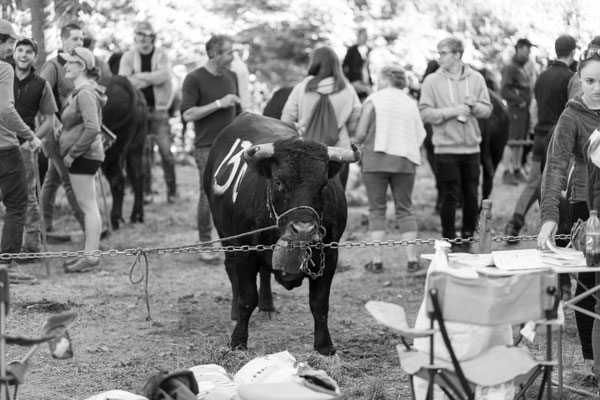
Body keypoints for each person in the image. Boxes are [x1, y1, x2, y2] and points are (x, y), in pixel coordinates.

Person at [539, 37, 600, 386]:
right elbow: (555, 168)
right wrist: (549, 218)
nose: (595, 88)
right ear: (579, 79)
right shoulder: (572, 115)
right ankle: (594, 363)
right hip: (585, 207)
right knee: (590, 285)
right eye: (589, 81)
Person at [419, 37, 492, 250]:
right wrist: (452, 112)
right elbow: (423, 112)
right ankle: (449, 241)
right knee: (449, 196)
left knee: (472, 195)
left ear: (457, 55)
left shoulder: (476, 78)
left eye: (443, 52)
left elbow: (487, 110)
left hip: (471, 148)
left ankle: (468, 238)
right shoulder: (432, 81)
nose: (438, 57)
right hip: (445, 149)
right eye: (438, 52)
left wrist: (475, 106)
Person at [355, 65, 426, 273]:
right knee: (405, 209)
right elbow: (420, 134)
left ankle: (377, 262)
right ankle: (412, 260)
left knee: (376, 210)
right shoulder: (411, 103)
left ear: (386, 79)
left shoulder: (374, 100)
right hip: (405, 161)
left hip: (375, 161)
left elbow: (360, 134)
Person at [505, 35, 577, 238]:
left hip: (539, 137)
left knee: (536, 182)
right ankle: (560, 229)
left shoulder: (542, 77)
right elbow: (574, 110)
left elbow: (534, 107)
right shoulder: (572, 77)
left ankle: (515, 221)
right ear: (573, 53)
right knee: (559, 185)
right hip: (557, 140)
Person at [180, 34, 241, 265]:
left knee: (235, 195)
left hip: (234, 147)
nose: (232, 56)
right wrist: (219, 104)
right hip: (207, 147)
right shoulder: (193, 79)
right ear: (215, 54)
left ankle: (233, 242)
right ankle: (205, 244)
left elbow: (237, 111)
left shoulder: (232, 76)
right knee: (208, 196)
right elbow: (187, 114)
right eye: (229, 52)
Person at [281, 45, 361, 188]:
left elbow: (286, 120)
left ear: (314, 62)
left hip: (306, 152)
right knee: (337, 201)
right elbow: (355, 118)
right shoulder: (348, 89)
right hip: (339, 154)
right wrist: (342, 129)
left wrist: (300, 128)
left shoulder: (303, 87)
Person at [0, 19, 43, 273]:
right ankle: (7, 267)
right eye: (9, 44)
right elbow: (5, 108)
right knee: (17, 205)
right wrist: (30, 135)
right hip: (5, 148)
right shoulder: (4, 69)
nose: (10, 50)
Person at [59, 47, 106, 273]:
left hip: (84, 156)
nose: (66, 66)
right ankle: (89, 253)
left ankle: (91, 256)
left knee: (88, 207)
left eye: (70, 63)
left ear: (82, 66)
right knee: (88, 205)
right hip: (84, 155)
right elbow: (79, 124)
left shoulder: (85, 93)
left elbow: (93, 128)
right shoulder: (80, 92)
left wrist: (72, 153)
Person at [119, 20, 176, 204]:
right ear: (135, 36)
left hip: (159, 111)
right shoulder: (128, 56)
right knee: (143, 154)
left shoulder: (162, 56)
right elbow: (124, 81)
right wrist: (151, 79)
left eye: (147, 35)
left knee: (166, 153)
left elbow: (164, 76)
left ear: (153, 37)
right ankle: (147, 192)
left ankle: (172, 192)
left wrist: (140, 77)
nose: (143, 39)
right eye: (140, 35)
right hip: (138, 112)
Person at [40, 22, 86, 238]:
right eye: (75, 38)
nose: (79, 42)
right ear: (63, 40)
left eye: (81, 39)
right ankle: (89, 228)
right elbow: (40, 98)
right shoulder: (52, 67)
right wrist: (56, 125)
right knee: (69, 179)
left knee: (52, 178)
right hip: (54, 134)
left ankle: (43, 226)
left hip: (71, 135)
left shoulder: (79, 67)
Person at [12, 38, 58, 254]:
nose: (23, 54)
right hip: (2, 142)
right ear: (13, 53)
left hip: (24, 147)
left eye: (28, 51)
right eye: (19, 50)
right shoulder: (3, 77)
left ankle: (32, 245)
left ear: (34, 57)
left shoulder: (41, 84)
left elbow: (50, 121)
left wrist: (31, 139)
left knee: (28, 195)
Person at [500, 38, 534, 186]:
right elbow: (504, 90)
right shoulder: (511, 68)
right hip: (515, 110)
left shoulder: (523, 68)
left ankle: (517, 169)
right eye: (527, 50)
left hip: (524, 111)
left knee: (520, 142)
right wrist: (519, 101)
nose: (529, 54)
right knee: (512, 141)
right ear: (519, 49)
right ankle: (507, 172)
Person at [342, 28, 372, 102]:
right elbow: (345, 67)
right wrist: (349, 82)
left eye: (366, 35)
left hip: (366, 82)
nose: (365, 37)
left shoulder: (368, 50)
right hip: (355, 82)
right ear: (358, 36)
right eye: (363, 35)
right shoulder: (352, 50)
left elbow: (366, 68)